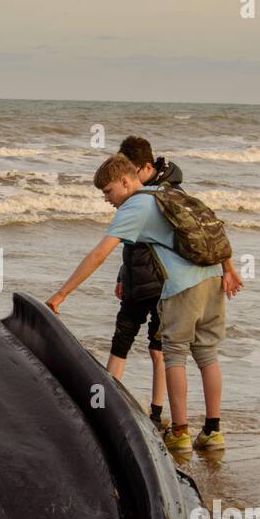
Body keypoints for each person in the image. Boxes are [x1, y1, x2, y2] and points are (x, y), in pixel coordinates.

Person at [46, 152, 242, 453]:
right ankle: (213, 432)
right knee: (207, 355)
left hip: (183, 286)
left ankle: (179, 434)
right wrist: (229, 269)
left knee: (174, 355)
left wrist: (62, 293)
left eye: (108, 191)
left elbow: (99, 254)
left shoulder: (134, 206)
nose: (107, 199)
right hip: (213, 277)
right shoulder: (165, 192)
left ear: (125, 181)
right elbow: (210, 226)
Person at [108, 135, 183, 430]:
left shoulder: (170, 194)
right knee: (121, 342)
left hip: (165, 283)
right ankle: (106, 405)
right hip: (135, 277)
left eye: (128, 169)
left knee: (158, 348)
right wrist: (121, 275)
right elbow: (128, 237)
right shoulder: (135, 193)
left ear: (145, 167)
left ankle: (156, 413)